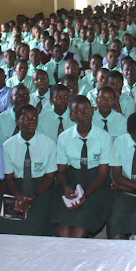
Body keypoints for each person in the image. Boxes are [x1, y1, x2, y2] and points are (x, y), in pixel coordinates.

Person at [0, 105, 56, 236]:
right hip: (15, 186)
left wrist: (34, 195)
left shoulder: (49, 144)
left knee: (34, 225)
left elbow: (49, 177)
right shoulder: (8, 145)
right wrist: (18, 196)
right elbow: (9, 178)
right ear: (17, 122)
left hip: (41, 187)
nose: (31, 122)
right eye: (25, 118)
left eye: (34, 118)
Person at [53, 95, 112, 238]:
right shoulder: (64, 137)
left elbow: (103, 173)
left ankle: (76, 259)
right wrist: (66, 187)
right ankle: (64, 259)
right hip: (71, 178)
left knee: (80, 227)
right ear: (72, 115)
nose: (84, 116)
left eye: (86, 110)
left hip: (96, 182)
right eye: (78, 113)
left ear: (92, 110)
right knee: (64, 229)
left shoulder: (104, 137)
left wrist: (86, 194)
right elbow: (61, 171)